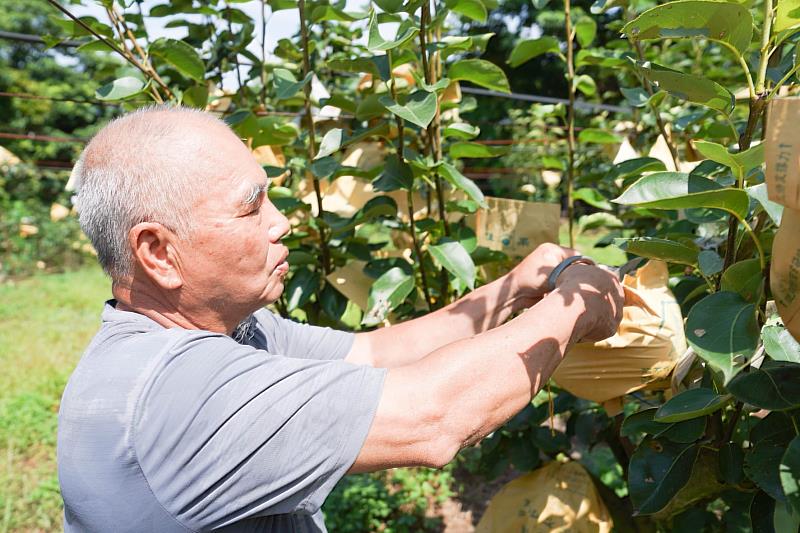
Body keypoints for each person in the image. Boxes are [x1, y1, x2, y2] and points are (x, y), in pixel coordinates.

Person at [57, 106, 624, 532]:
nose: (283, 223)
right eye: (251, 207)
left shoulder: (230, 331)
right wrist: (571, 308)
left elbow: (374, 354)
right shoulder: (180, 395)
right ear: (157, 252)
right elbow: (435, 417)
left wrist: (512, 288)